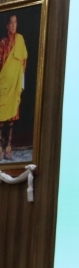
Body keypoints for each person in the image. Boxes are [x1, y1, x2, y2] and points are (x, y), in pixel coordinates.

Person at [0, 14, 28, 160]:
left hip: (15, 83)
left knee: (11, 119)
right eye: (10, 23)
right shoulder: (3, 43)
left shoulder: (20, 40)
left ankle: (8, 148)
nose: (13, 25)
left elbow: (23, 62)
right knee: (0, 119)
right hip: (3, 84)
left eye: (15, 23)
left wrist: (21, 81)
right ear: (6, 26)